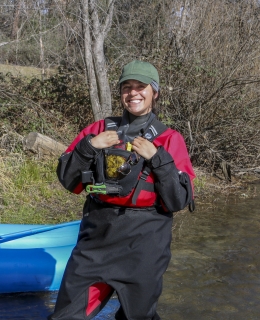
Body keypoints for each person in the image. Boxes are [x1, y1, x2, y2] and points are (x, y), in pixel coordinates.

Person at [49, 60, 195, 320]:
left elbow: (178, 200)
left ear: (155, 93)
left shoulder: (170, 139)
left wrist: (158, 159)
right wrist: (89, 147)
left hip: (146, 242)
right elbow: (69, 182)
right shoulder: (97, 130)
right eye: (127, 87)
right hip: (97, 238)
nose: (133, 93)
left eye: (141, 87)